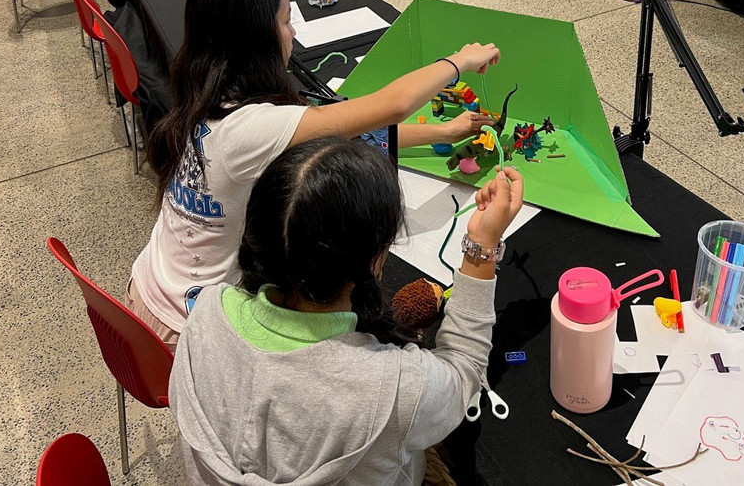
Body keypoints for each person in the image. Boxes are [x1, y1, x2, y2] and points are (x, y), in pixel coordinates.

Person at [127, 0, 500, 349]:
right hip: (182, 333)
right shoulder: (251, 129)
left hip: (147, 291)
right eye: (286, 21)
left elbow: (350, 128)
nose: (292, 34)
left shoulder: (203, 99)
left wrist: (446, 130)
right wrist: (460, 60)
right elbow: (392, 104)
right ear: (257, 38)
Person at [169, 137, 524, 485]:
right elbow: (464, 372)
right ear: (374, 260)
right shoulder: (394, 389)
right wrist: (481, 245)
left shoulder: (206, 313)